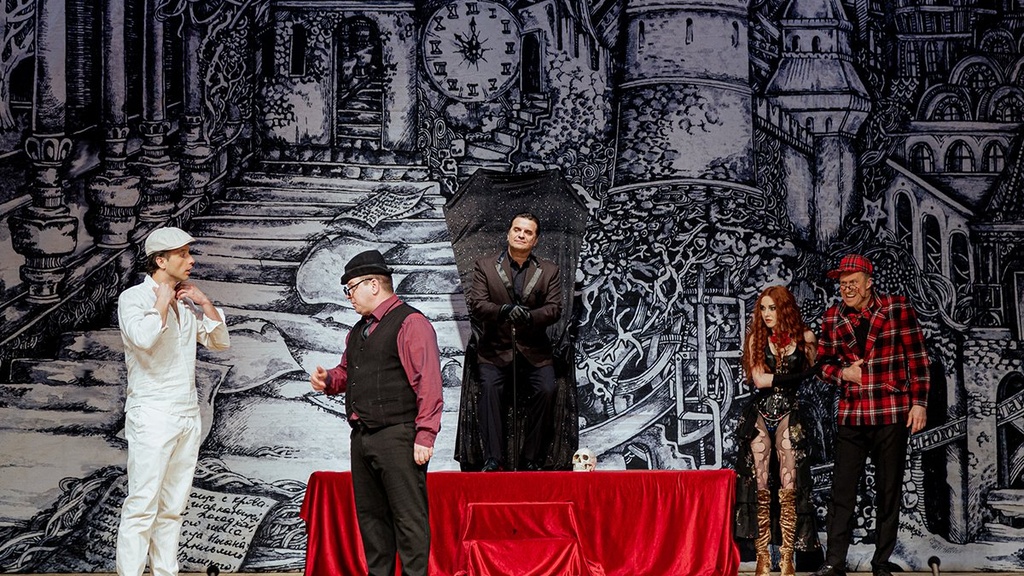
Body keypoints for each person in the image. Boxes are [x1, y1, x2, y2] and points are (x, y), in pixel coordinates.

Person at [309, 249, 443, 576]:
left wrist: (425, 435)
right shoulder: (358, 331)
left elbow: (428, 382)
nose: (349, 296)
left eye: (351, 288)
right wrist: (329, 380)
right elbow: (348, 372)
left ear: (373, 285)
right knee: (372, 521)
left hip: (398, 435)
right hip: (363, 437)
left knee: (409, 519)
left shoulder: (411, 323)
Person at [115, 227, 230, 576]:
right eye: (183, 254)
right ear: (161, 261)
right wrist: (161, 302)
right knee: (142, 506)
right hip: (152, 412)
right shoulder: (134, 299)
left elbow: (219, 342)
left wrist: (204, 303)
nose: (190, 260)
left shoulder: (184, 303)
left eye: (189, 253)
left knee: (173, 507)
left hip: (187, 413)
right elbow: (143, 338)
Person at [812, 254, 930, 576]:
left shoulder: (896, 308)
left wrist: (919, 403)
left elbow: (918, 358)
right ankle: (834, 562)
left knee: (888, 490)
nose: (847, 289)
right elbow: (821, 364)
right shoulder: (833, 317)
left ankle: (881, 562)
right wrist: (843, 374)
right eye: (842, 284)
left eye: (853, 282)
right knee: (842, 492)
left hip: (890, 412)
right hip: (852, 415)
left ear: (869, 282)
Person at [466, 212, 562, 472]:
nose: (521, 235)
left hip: (534, 351)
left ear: (535, 240)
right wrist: (503, 311)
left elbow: (554, 309)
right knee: (489, 389)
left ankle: (531, 458)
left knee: (547, 389)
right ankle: (493, 459)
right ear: (508, 233)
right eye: (517, 230)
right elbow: (477, 305)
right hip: (495, 350)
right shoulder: (485, 266)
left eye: (528, 232)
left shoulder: (549, 270)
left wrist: (530, 317)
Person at [735, 285, 820, 576]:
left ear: (784, 309)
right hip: (761, 412)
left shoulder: (805, 338)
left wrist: (801, 374)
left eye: (772, 308)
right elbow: (760, 380)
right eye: (763, 308)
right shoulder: (756, 339)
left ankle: (787, 556)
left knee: (789, 483)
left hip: (789, 413)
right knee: (760, 482)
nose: (767, 314)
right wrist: (799, 375)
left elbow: (817, 372)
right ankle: (762, 556)